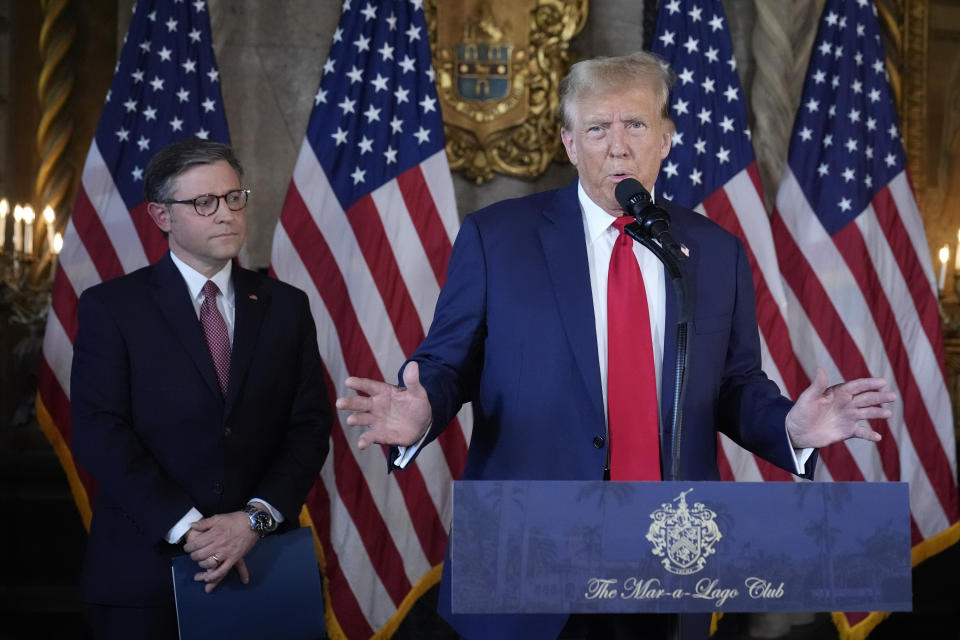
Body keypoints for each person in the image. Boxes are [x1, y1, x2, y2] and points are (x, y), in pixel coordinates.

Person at [336, 52, 895, 640]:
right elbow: (449, 363)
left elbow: (731, 384)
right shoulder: (497, 238)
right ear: (570, 143)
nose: (617, 145)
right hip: (532, 547)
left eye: (636, 125)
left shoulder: (715, 251)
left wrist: (792, 430)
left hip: (664, 553)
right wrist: (423, 409)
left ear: (666, 139)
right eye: (598, 128)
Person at [71, 138, 331, 639]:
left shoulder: (286, 307)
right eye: (203, 203)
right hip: (144, 575)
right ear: (161, 215)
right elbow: (99, 431)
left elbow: (309, 428)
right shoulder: (112, 307)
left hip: (265, 565)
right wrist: (191, 527)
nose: (226, 214)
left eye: (234, 198)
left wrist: (253, 521)